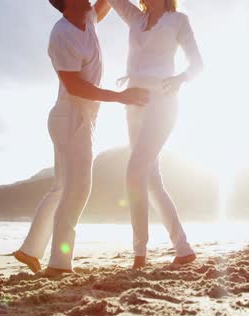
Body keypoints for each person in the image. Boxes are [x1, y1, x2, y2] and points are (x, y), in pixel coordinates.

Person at [13, 0, 150, 277]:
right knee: (78, 190)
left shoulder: (86, 17)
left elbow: (104, 6)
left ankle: (29, 250)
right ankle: (59, 264)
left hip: (80, 120)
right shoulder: (61, 34)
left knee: (62, 188)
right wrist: (121, 97)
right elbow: (75, 86)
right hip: (70, 120)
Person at [107, 0, 204, 269]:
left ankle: (139, 254)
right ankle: (183, 248)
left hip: (162, 104)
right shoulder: (136, 18)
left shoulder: (178, 21)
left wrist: (180, 79)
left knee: (134, 173)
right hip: (134, 106)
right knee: (151, 181)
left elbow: (197, 64)